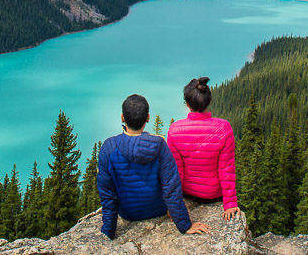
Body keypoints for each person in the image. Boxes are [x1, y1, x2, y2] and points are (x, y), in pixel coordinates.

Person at [97, 93, 210, 239]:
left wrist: (108, 232)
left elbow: (108, 195)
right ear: (148, 118)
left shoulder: (109, 148)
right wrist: (184, 225)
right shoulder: (159, 146)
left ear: (122, 118)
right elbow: (171, 188)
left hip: (128, 213)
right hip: (158, 209)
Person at [166, 77, 240, 220]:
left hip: (188, 193)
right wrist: (230, 202)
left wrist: (174, 204)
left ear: (187, 104)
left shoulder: (175, 130)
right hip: (214, 195)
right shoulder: (224, 128)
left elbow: (176, 170)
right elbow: (226, 168)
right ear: (208, 101)